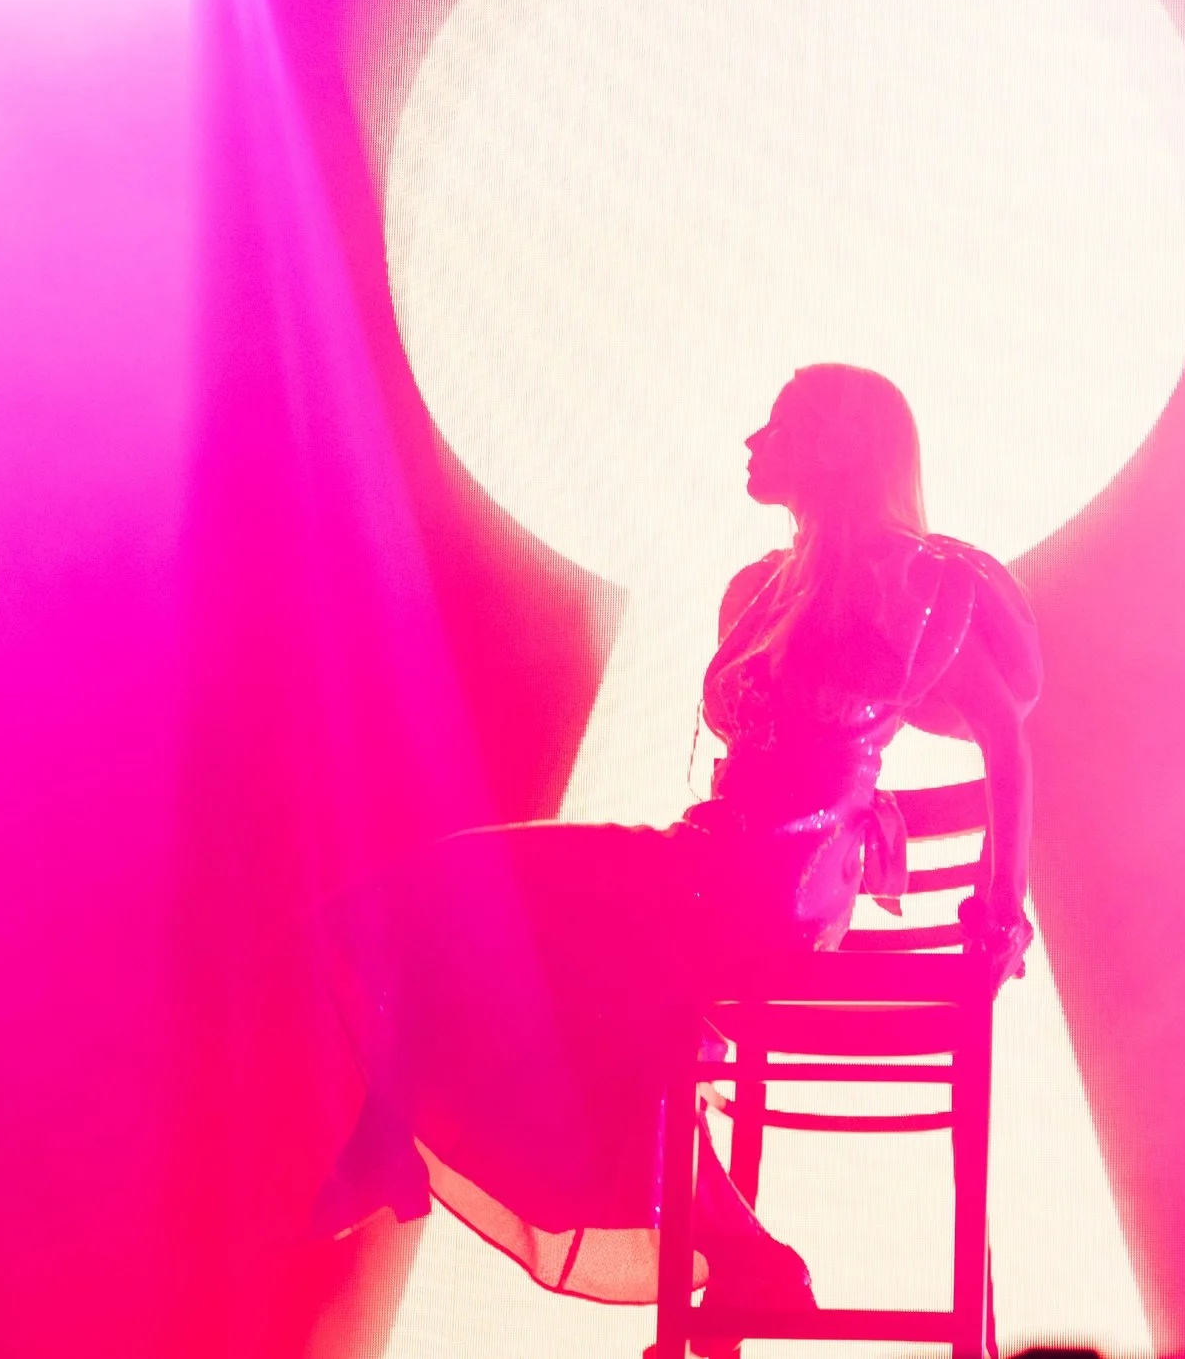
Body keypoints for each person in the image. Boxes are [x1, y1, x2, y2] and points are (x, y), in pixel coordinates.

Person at [313, 364, 1040, 1349]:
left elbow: (1004, 736)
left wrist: (997, 909)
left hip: (777, 891)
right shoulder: (761, 587)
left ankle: (399, 1128)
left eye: (779, 421)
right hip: (707, 857)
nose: (752, 438)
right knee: (446, 919)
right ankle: (746, 1254)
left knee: (519, 932)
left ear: (832, 445)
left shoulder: (908, 580)